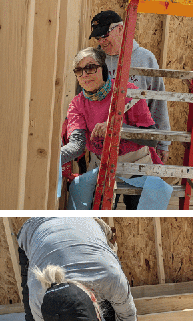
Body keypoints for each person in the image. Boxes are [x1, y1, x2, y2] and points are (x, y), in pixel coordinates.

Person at [61, 47, 161, 209]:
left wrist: (117, 129)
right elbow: (77, 145)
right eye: (79, 71)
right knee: (87, 198)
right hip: (104, 167)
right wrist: (52, 159)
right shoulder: (77, 104)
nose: (85, 75)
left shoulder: (128, 92)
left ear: (104, 69)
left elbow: (152, 138)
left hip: (136, 165)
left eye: (90, 68)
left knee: (138, 212)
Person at [89, 10, 171, 164]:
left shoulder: (145, 59)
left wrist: (163, 143)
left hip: (138, 149)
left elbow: (157, 102)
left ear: (120, 29)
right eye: (98, 38)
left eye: (104, 36)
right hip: (102, 149)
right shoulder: (94, 61)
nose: (101, 41)